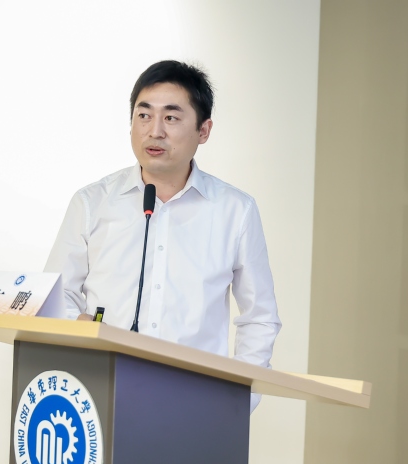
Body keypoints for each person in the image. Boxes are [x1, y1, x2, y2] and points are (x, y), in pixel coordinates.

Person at [44, 60, 281, 411]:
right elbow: (55, 296)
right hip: (98, 397)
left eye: (171, 117)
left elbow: (258, 316)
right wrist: (78, 329)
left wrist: (238, 403)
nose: (154, 131)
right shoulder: (92, 203)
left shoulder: (236, 211)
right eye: (144, 115)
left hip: (195, 401)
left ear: (204, 130)